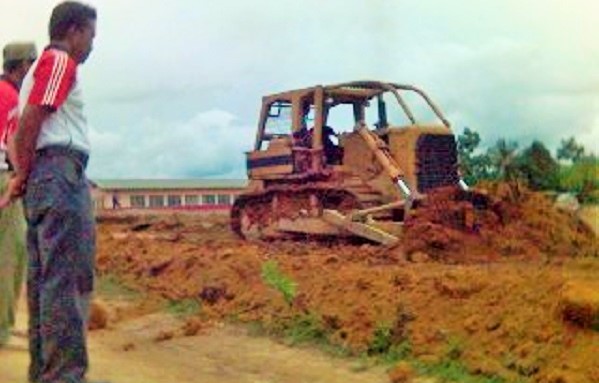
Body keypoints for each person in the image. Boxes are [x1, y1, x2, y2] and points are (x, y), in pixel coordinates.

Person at [0, 2, 108, 382]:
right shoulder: (60, 61)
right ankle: (64, 376)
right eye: (91, 35)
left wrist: (22, 176)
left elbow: (17, 133)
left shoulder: (30, 78)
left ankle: (45, 373)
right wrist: (24, 173)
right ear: (74, 31)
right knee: (68, 280)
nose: (93, 44)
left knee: (46, 284)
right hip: (59, 174)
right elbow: (31, 121)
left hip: (48, 177)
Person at [0, 42, 37, 348]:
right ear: (22, 65)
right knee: (12, 251)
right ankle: (2, 328)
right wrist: (20, 173)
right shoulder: (8, 95)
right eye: (32, 63)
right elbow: (9, 138)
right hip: (2, 177)